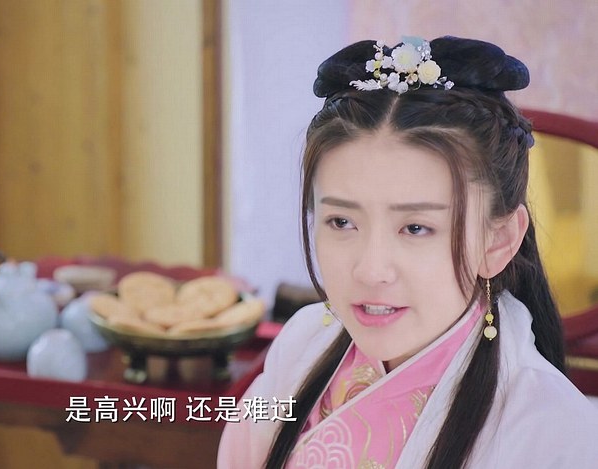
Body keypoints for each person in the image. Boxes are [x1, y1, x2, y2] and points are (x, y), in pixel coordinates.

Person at [218, 36, 598, 468]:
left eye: (416, 228)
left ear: (498, 240)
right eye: (341, 222)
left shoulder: (552, 433)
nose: (370, 270)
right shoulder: (302, 343)